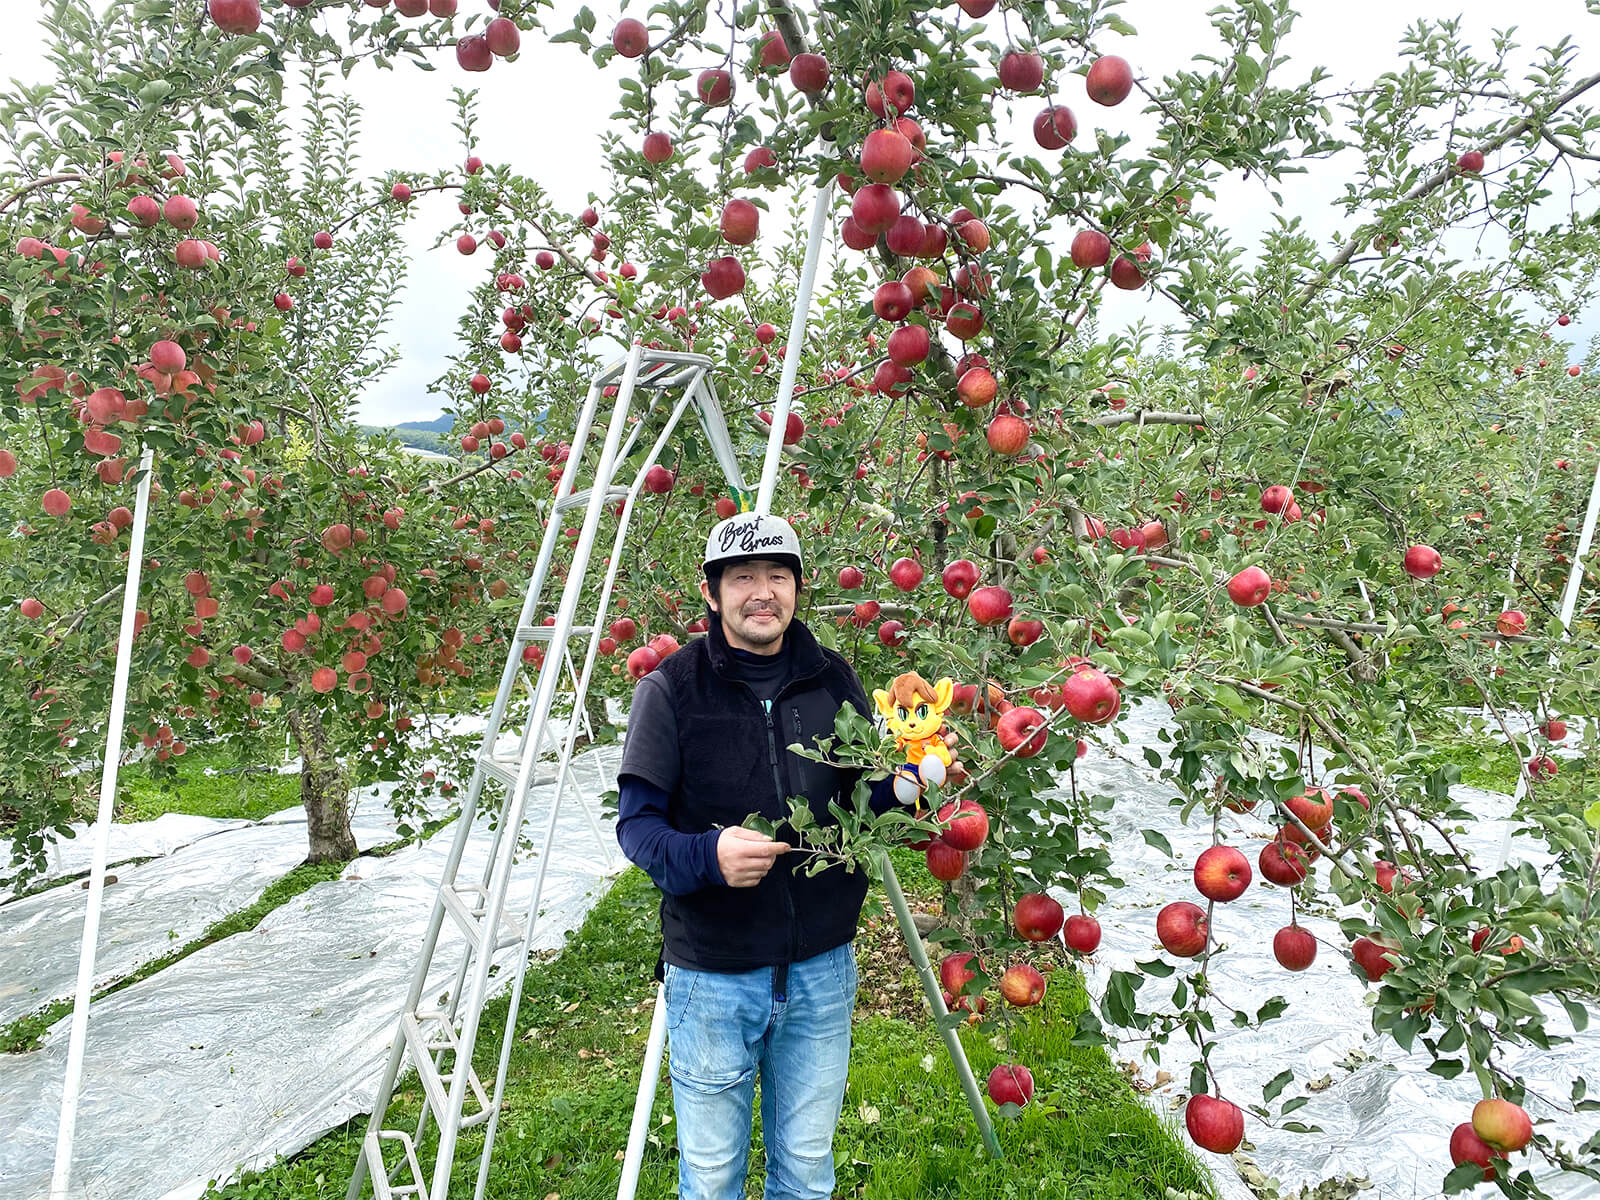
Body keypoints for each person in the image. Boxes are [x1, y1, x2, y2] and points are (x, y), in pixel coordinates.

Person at [615, 512, 958, 1200]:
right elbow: (638, 830)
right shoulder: (670, 691)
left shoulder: (832, 678)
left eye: (778, 575)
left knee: (806, 1167)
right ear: (712, 594)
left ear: (799, 588)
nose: (762, 591)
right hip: (712, 975)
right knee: (711, 1177)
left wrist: (904, 788)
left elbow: (859, 801)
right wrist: (709, 855)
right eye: (743, 577)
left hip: (820, 968)